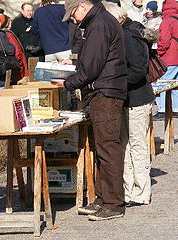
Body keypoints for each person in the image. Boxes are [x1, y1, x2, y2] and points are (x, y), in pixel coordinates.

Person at [52, 0, 127, 220]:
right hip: (103, 91)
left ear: (83, 6)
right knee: (103, 148)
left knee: (108, 148)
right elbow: (91, 62)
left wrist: (68, 83)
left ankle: (114, 204)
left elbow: (93, 66)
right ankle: (104, 199)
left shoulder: (99, 24)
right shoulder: (98, 22)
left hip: (105, 92)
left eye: (73, 14)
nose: (73, 20)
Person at [104, 2, 155, 207]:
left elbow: (138, 69)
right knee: (127, 144)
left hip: (136, 98)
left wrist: (117, 85)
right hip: (130, 97)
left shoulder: (128, 35)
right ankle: (130, 190)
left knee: (136, 145)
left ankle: (141, 192)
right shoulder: (129, 31)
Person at [155, 0, 178, 119]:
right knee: (175, 85)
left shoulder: (167, 21)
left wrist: (159, 53)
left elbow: (163, 40)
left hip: (169, 57)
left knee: (161, 83)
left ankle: (161, 110)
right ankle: (176, 108)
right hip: (177, 57)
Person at [1, 15, 29, 84]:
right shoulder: (9, 34)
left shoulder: (4, 34)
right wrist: (19, 62)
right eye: (10, 23)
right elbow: (17, 51)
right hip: (18, 66)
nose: (11, 25)